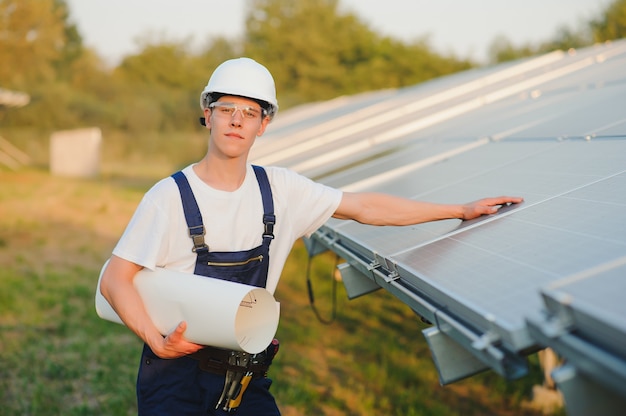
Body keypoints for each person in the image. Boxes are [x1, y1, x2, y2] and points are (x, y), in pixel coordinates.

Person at [99, 57, 523, 415]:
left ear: (264, 124)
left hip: (244, 373)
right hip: (176, 377)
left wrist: (458, 210)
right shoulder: (170, 196)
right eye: (227, 108)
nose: (236, 121)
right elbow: (115, 279)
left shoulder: (282, 190)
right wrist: (158, 341)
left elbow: (366, 208)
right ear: (207, 114)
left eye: (250, 113)